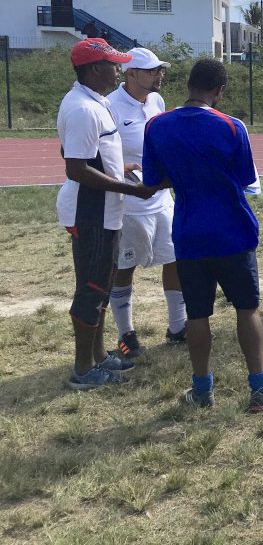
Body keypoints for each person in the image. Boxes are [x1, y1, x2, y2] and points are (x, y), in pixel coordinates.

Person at [143, 59, 263, 411]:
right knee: (247, 309)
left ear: (189, 85)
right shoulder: (231, 126)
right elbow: (244, 178)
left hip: (189, 233)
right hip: (233, 231)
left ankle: (202, 391)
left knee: (197, 315)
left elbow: (153, 179)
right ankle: (259, 388)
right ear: (219, 91)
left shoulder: (157, 126)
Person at [57, 38, 156, 390]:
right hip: (91, 212)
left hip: (105, 210)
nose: (118, 70)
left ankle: (98, 357)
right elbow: (76, 169)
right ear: (94, 69)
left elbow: (92, 155)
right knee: (92, 287)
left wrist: (121, 168)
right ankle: (83, 370)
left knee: (101, 286)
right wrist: (132, 189)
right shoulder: (83, 108)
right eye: (113, 64)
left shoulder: (92, 102)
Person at [106, 47, 187, 355]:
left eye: (160, 70)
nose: (160, 75)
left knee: (174, 258)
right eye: (153, 71)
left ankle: (178, 326)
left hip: (161, 199)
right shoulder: (110, 106)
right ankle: (126, 333)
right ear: (131, 74)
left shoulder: (156, 101)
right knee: (125, 265)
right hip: (129, 204)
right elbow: (99, 156)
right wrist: (127, 170)